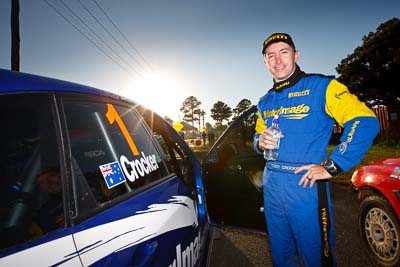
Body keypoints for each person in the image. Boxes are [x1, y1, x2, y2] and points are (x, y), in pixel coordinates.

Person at [253, 33, 380, 267]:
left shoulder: (322, 86)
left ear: (296, 55)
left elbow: (364, 121)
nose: (278, 60)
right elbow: (257, 137)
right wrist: (260, 142)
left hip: (305, 186)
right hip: (272, 187)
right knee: (281, 256)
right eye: (271, 55)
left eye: (284, 52)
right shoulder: (264, 101)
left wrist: (333, 165)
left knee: (316, 258)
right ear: (265, 62)